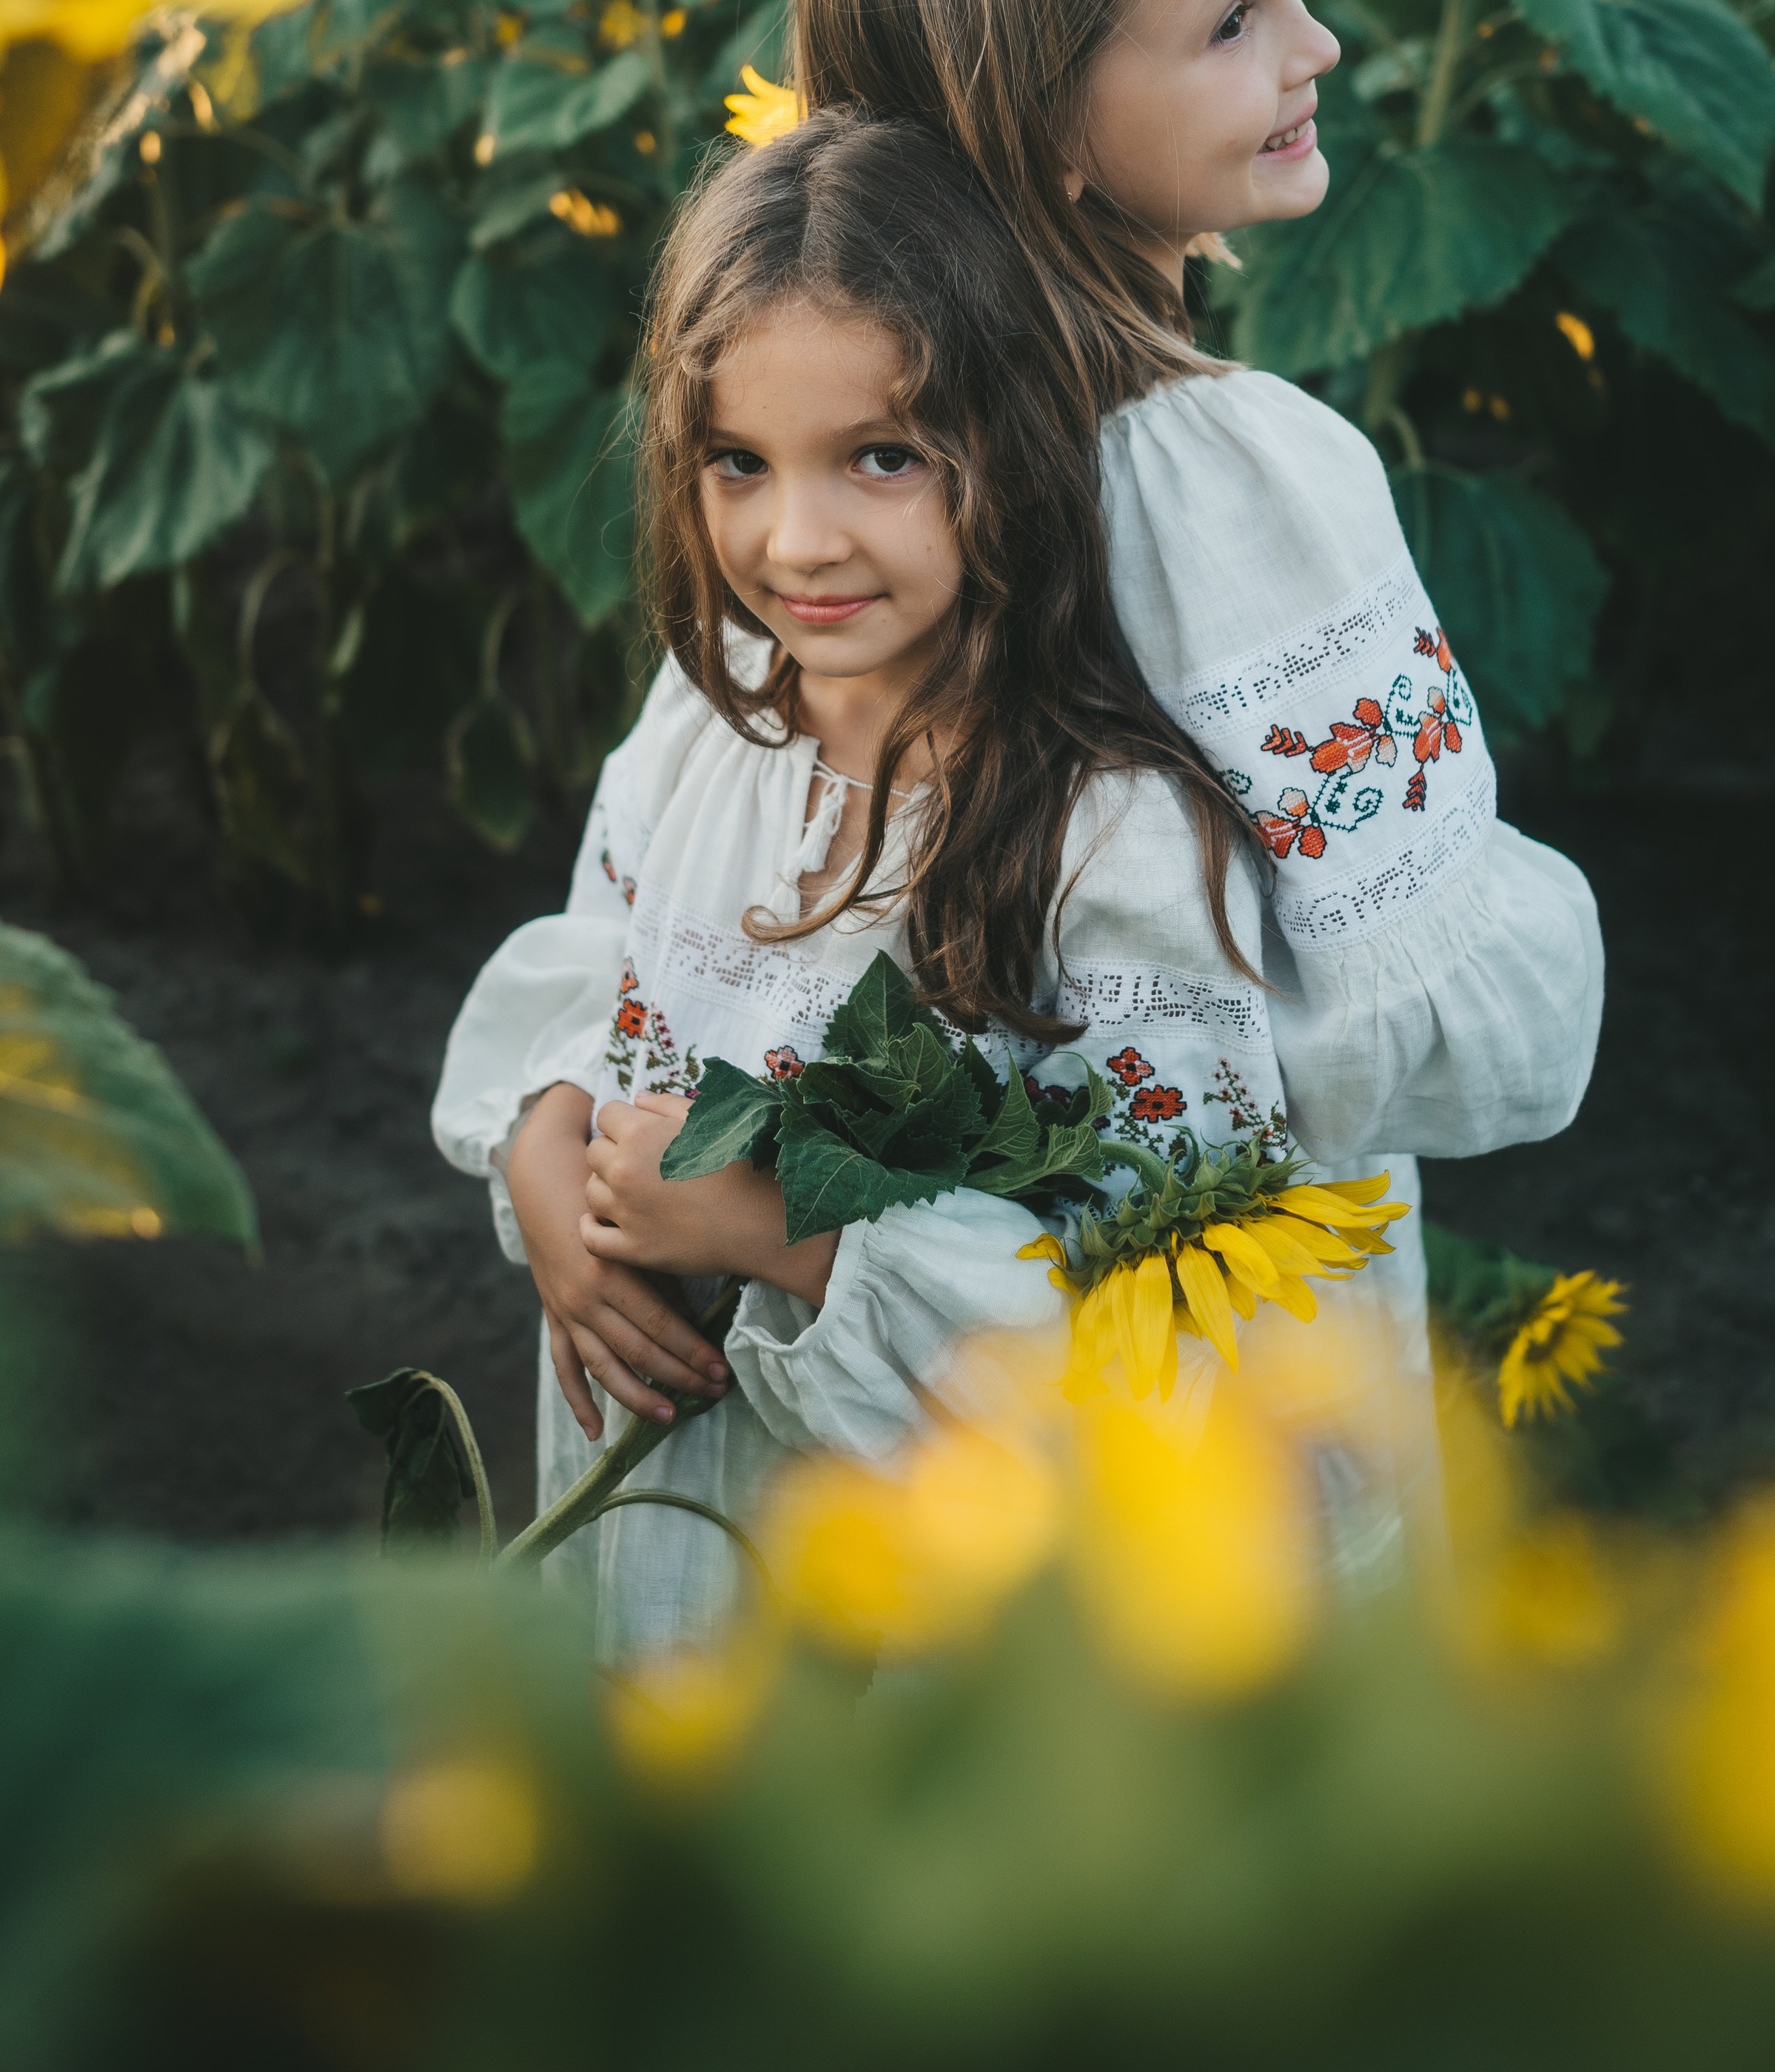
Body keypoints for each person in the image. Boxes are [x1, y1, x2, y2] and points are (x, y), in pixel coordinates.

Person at [434, 113, 1320, 1661]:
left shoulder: (1104, 832)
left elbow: (1164, 1324)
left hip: (918, 1617)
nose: (793, 540)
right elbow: (598, 960)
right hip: (671, 1539)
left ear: (1015, 442)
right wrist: (545, 1146)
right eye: (735, 462)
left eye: (883, 456)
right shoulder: (714, 713)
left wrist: (791, 1238)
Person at [791, 0, 1603, 1176]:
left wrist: (556, 1118)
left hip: (824, 1265)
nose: (1316, 45)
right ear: (1044, 120)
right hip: (1182, 1303)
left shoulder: (802, 478)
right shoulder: (1237, 480)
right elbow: (1470, 1037)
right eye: (1234, 18)